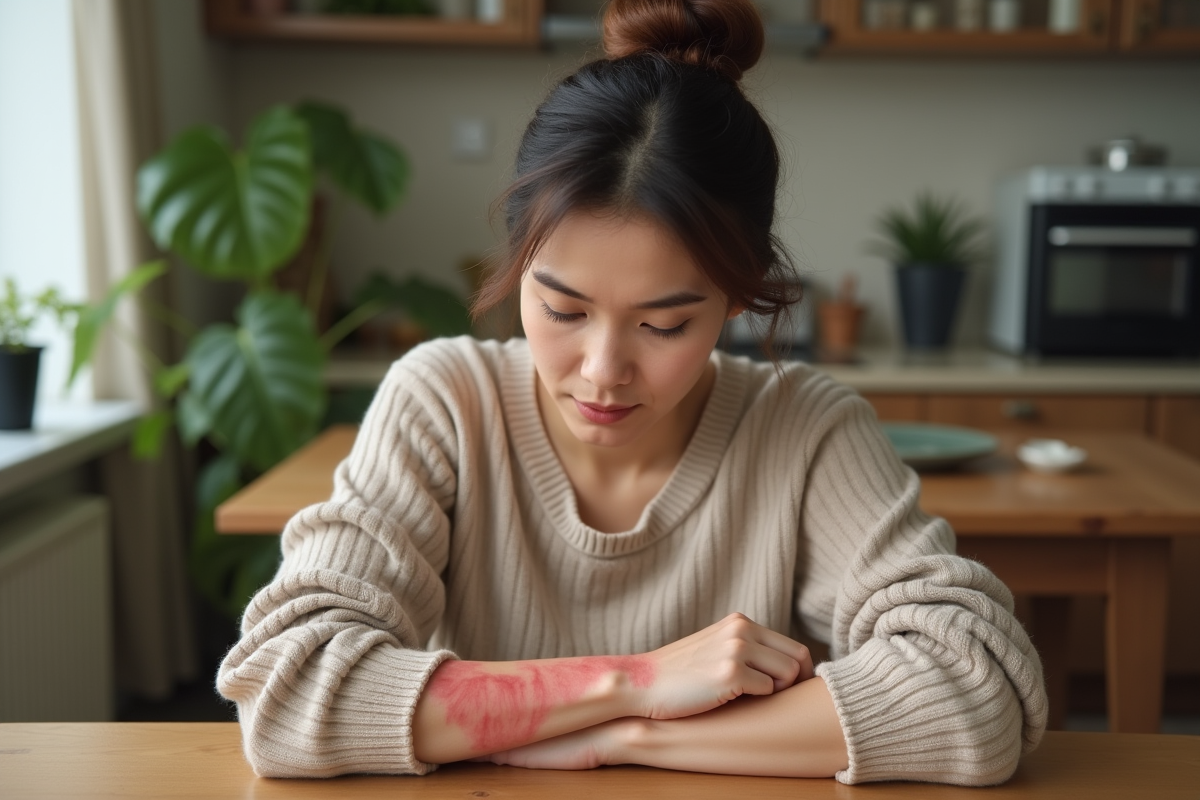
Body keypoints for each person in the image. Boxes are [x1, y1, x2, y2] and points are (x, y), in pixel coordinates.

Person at [217, 0, 1047, 785]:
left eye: (663, 325)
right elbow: (289, 693)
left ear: (737, 294)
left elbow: (975, 694)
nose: (603, 370)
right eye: (562, 309)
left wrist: (626, 739)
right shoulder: (444, 400)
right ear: (514, 270)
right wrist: (633, 680)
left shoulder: (807, 427)